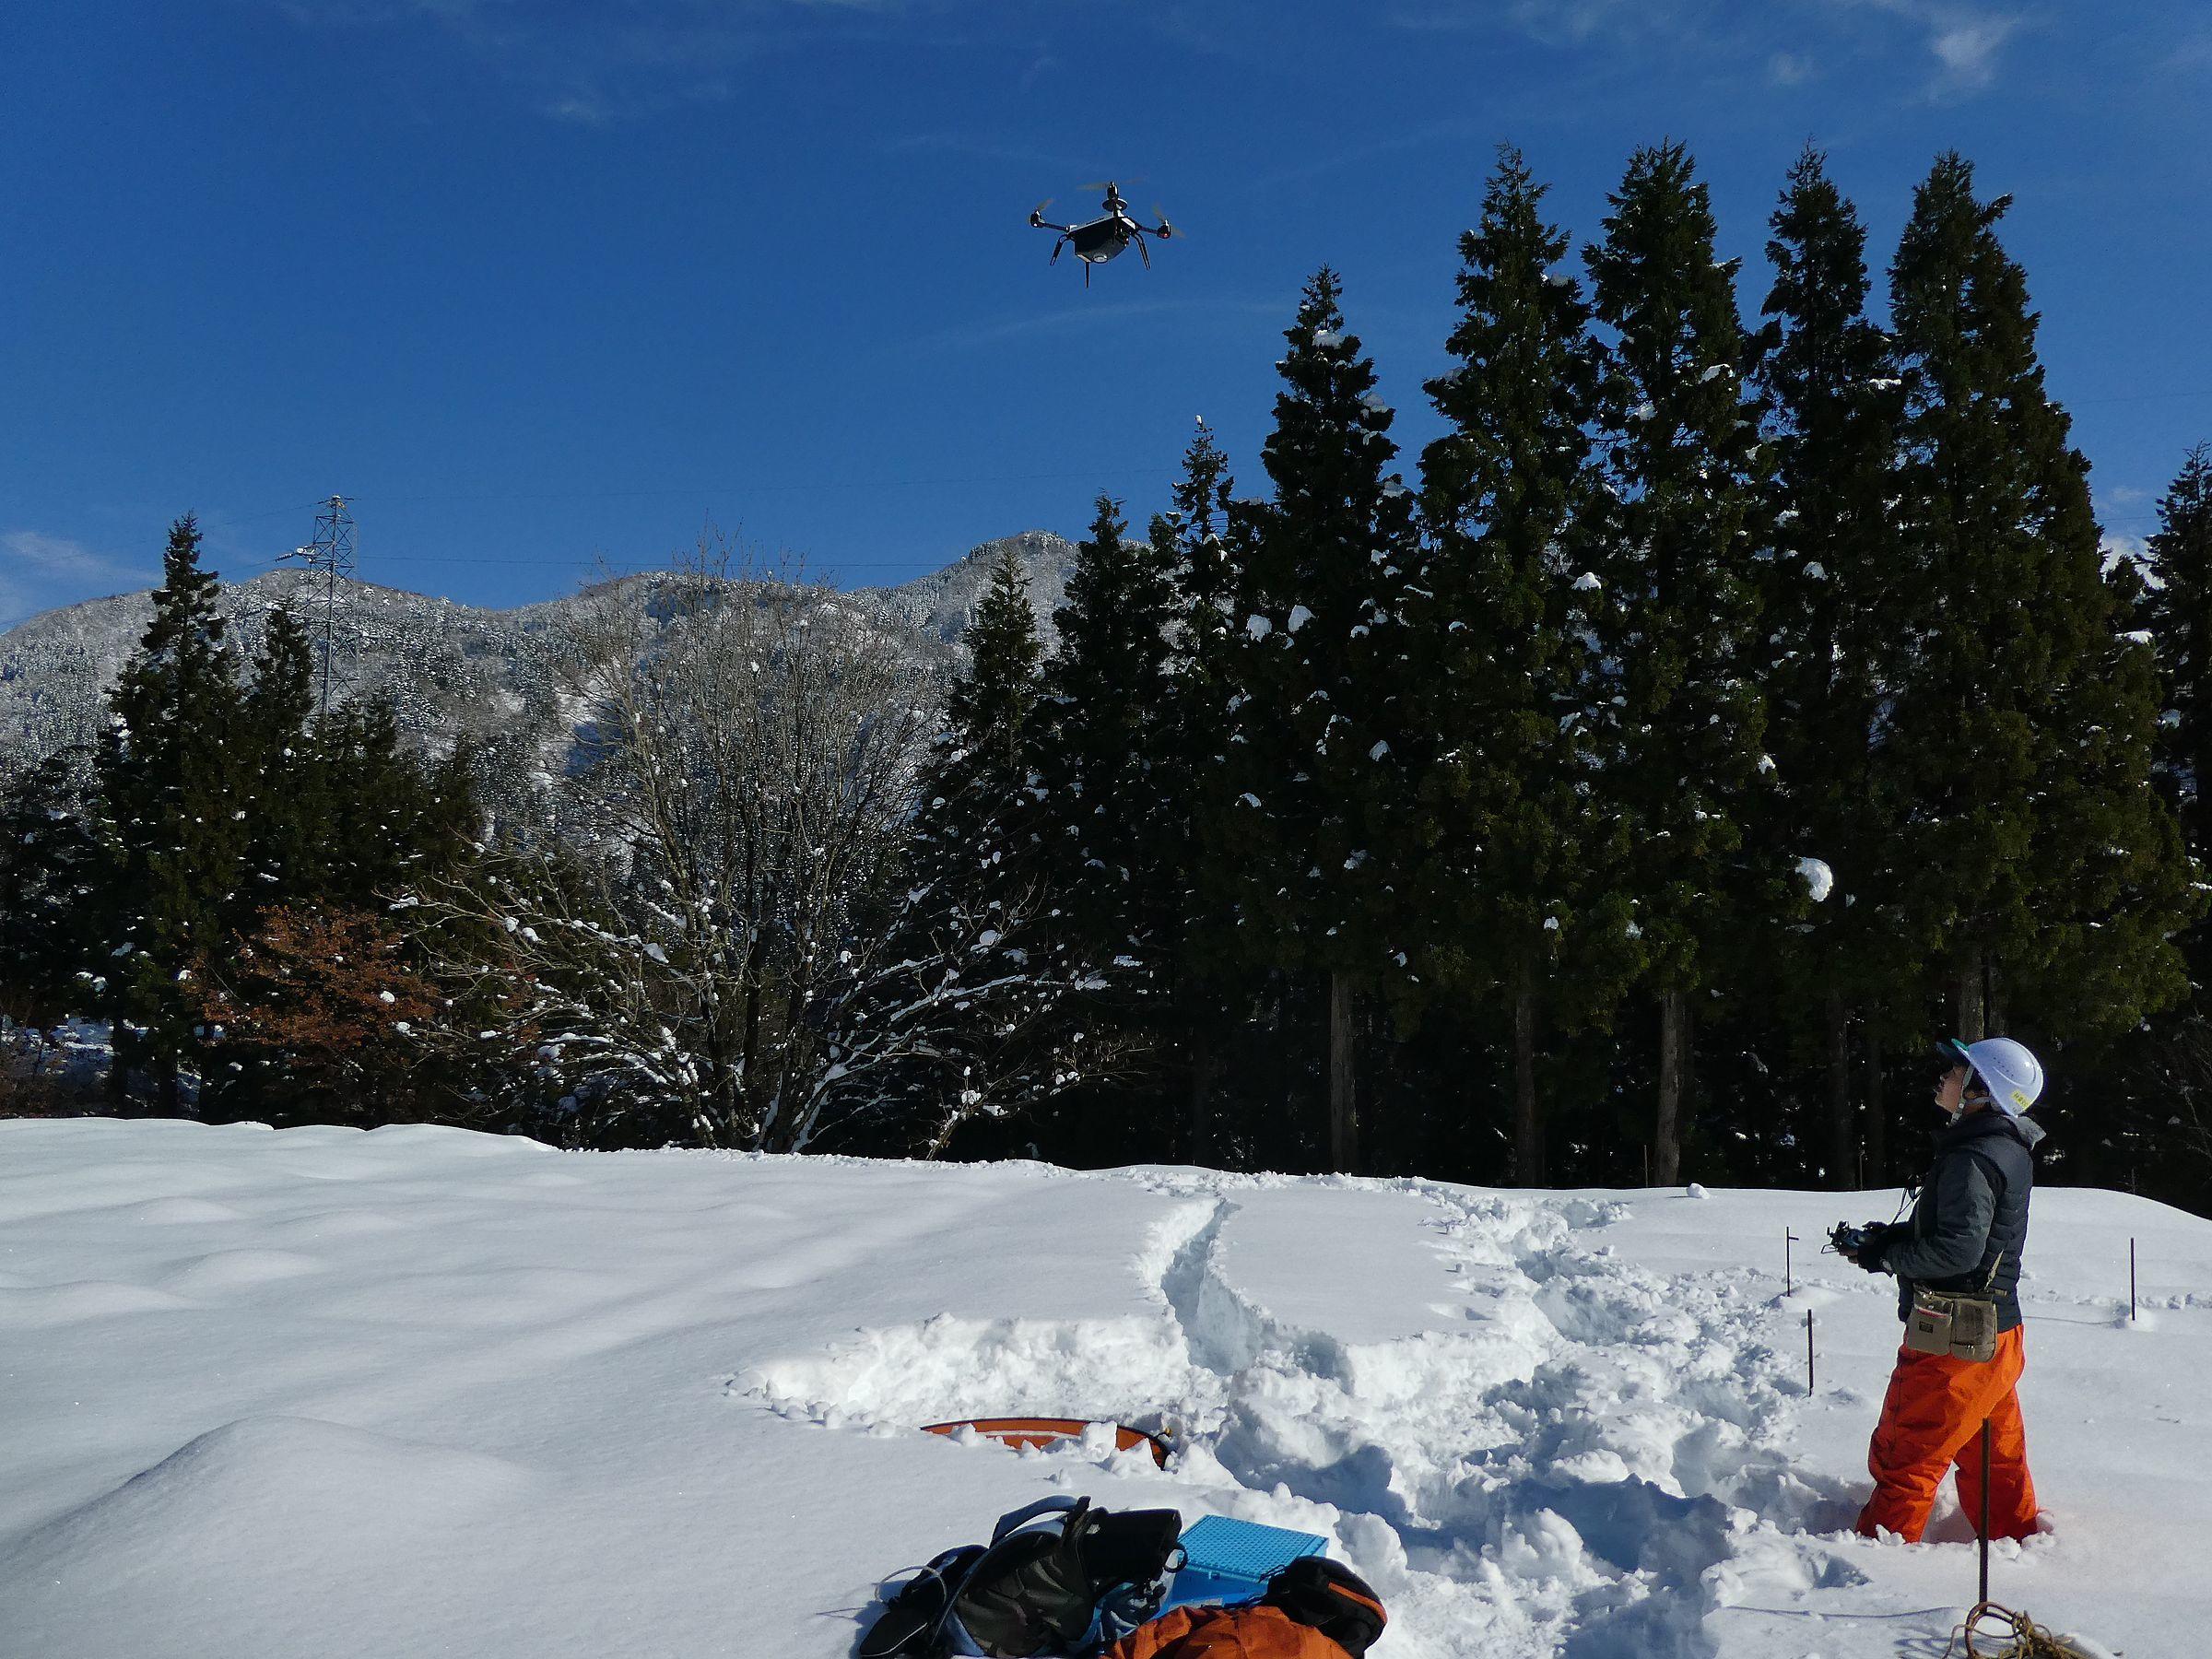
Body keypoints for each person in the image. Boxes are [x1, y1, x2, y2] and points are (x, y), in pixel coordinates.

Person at [1843, 1035, 2046, 1543]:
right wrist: (1894, 1239)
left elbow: (1959, 1251)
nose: (1946, 1076)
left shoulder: (1971, 1158)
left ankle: (1877, 1561)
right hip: (1997, 1334)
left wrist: (1886, 1256)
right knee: (1993, 1455)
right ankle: (2015, 1543)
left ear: (1981, 1089)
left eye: (1958, 1070)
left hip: (1955, 1339)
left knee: (1908, 1453)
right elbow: (1973, 1236)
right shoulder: (2003, 1148)